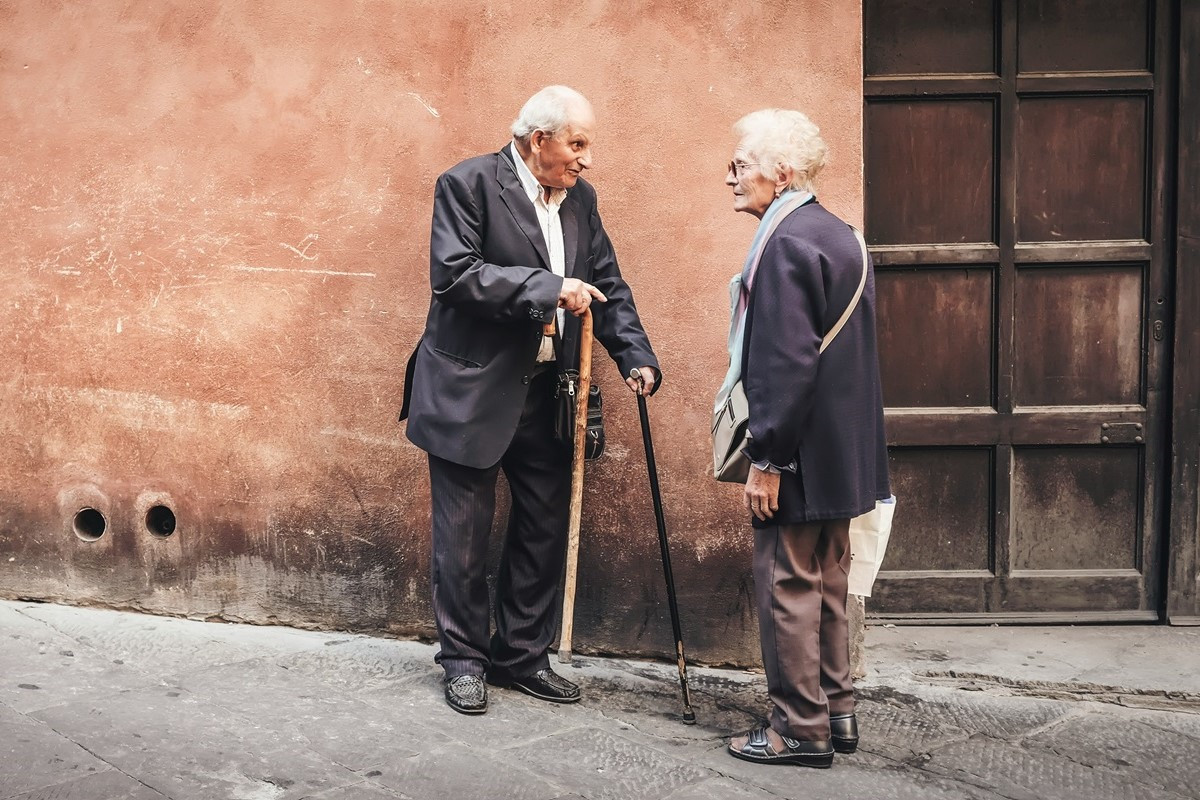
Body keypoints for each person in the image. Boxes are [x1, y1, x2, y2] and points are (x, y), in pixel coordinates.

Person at [400, 85, 661, 715]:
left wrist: (636, 355)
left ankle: (521, 654)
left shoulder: (582, 201)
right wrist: (548, 287)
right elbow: (457, 275)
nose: (586, 159)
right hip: (470, 391)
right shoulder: (467, 184)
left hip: (549, 393)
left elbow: (606, 283)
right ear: (537, 139)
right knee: (462, 538)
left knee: (544, 529)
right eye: (577, 143)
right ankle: (464, 660)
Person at [717, 109, 890, 767]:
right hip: (841, 454)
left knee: (789, 584)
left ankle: (798, 729)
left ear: (782, 172)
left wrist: (768, 459)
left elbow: (786, 362)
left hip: (798, 455)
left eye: (741, 163)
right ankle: (837, 712)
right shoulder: (841, 234)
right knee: (828, 582)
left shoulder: (785, 242)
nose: (730, 175)